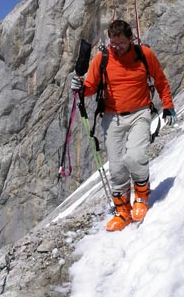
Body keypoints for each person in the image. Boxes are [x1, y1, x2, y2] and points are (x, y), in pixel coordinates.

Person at [71, 19, 175, 231]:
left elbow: (161, 81)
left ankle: (142, 197)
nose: (116, 47)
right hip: (112, 117)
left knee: (135, 157)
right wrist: (81, 87)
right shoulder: (103, 58)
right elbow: (91, 86)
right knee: (117, 167)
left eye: (120, 43)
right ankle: (122, 211)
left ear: (131, 39)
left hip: (140, 113)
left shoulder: (144, 55)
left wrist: (168, 106)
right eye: (113, 43)